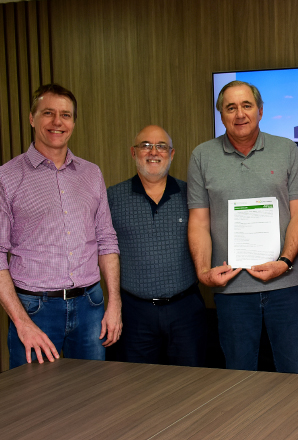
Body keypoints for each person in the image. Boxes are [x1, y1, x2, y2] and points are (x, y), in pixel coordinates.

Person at [187, 80, 298, 373]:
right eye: (231, 107)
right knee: (239, 379)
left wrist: (283, 262)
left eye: (246, 105)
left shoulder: (286, 149)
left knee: (297, 376)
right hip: (232, 290)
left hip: (287, 286)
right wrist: (203, 271)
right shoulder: (202, 156)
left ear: (260, 110)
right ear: (221, 114)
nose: (239, 114)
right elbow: (199, 221)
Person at [0, 83, 121, 368]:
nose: (57, 122)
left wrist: (114, 303)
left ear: (74, 122)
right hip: (35, 310)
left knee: (92, 398)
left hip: (91, 305)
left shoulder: (91, 174)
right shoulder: (7, 177)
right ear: (32, 118)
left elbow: (106, 240)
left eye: (65, 115)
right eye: (48, 113)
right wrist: (21, 322)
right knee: (33, 402)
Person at [108, 125, 206, 366]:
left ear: (171, 154)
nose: (154, 152)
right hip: (134, 314)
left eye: (161, 146)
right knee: (137, 387)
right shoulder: (111, 198)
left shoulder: (192, 195)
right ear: (133, 153)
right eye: (146, 146)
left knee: (192, 384)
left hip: (185, 310)